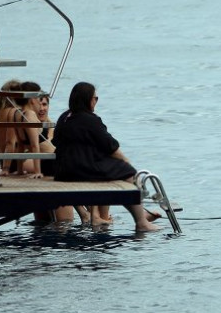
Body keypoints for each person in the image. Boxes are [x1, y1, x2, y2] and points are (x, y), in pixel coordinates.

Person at [53, 82, 160, 231]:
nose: (96, 101)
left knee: (114, 169)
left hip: (63, 171)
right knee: (128, 173)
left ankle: (139, 214)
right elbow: (112, 147)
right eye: (95, 98)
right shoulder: (91, 120)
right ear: (88, 100)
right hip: (82, 170)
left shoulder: (64, 117)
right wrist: (127, 163)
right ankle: (141, 222)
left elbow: (56, 141)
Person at [0, 79, 21, 176]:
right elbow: (10, 142)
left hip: (3, 159)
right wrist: (6, 168)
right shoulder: (14, 112)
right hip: (12, 161)